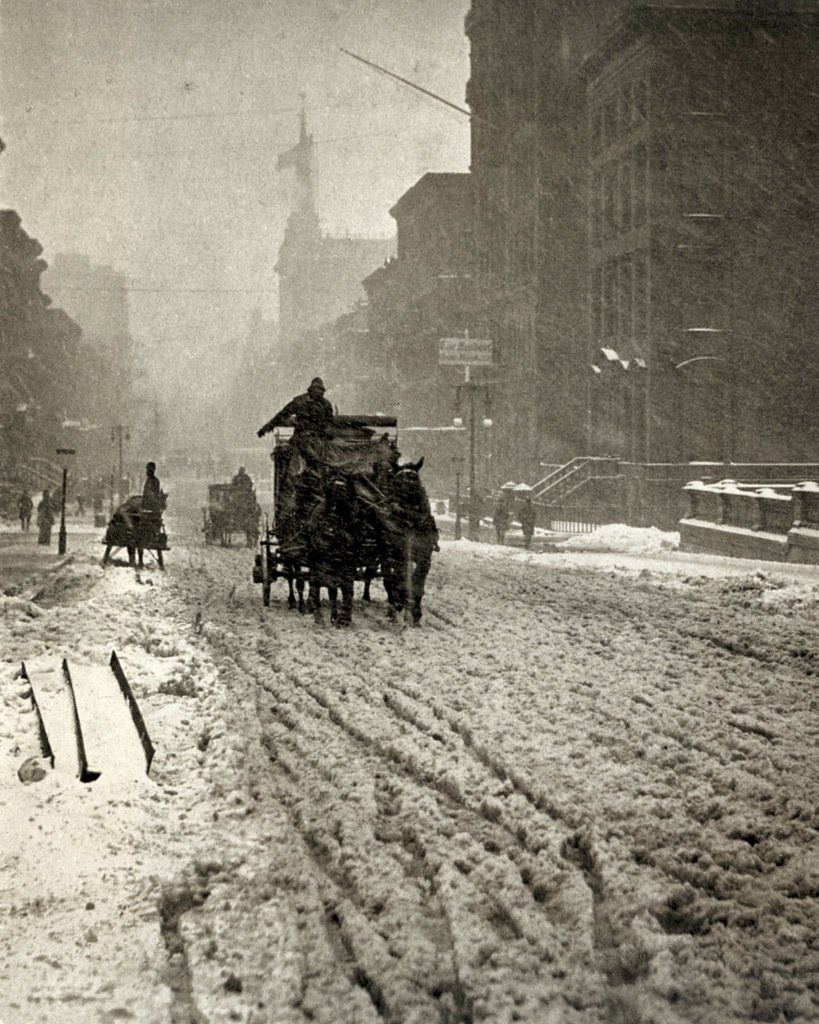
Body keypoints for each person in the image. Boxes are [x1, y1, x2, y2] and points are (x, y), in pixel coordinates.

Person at [256, 378, 334, 460]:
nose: (318, 392)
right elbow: (282, 415)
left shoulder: (304, 401)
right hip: (307, 439)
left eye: (319, 390)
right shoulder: (323, 404)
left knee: (285, 454)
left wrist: (265, 429)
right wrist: (265, 429)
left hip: (309, 439)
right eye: (317, 389)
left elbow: (282, 415)